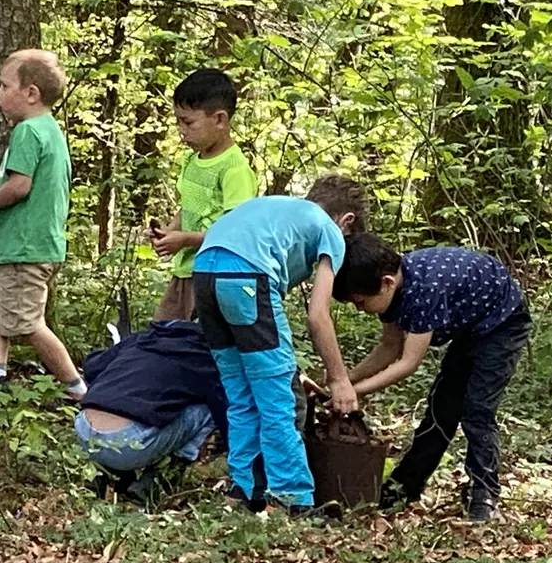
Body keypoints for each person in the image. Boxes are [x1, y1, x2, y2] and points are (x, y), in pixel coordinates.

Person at [192, 175, 369, 515]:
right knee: (279, 399)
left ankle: (244, 491)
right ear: (347, 221)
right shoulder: (330, 229)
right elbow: (318, 315)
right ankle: (292, 500)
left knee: (241, 393)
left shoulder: (279, 209)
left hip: (204, 274)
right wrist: (339, 379)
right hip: (246, 277)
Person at [332, 233, 532, 522]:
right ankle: (403, 488)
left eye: (361, 302)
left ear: (386, 283)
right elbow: (390, 347)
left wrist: (356, 392)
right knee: (441, 409)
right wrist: (345, 381)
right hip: (470, 328)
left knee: (477, 410)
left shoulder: (425, 290)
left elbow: (408, 363)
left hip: (503, 323)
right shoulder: (392, 288)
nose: (359, 308)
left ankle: (484, 493)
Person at [0, 50, 85, 398]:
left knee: (28, 324)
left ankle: (78, 389)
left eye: (4, 86)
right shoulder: (48, 130)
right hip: (18, 248)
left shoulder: (28, 131)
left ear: (31, 93)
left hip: (23, 248)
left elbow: (19, 186)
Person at [74, 320, 228, 501]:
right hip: (130, 444)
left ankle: (105, 475)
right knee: (208, 410)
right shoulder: (206, 356)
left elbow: (92, 367)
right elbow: (223, 413)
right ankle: (156, 481)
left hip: (85, 432)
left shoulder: (143, 339)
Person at [149, 69, 259, 322]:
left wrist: (185, 239)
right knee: (162, 335)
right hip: (185, 273)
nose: (181, 131)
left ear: (220, 119)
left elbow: (235, 234)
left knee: (199, 345)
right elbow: (189, 207)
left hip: (214, 276)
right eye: (178, 121)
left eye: (188, 123)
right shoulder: (191, 160)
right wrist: (168, 232)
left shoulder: (235, 169)